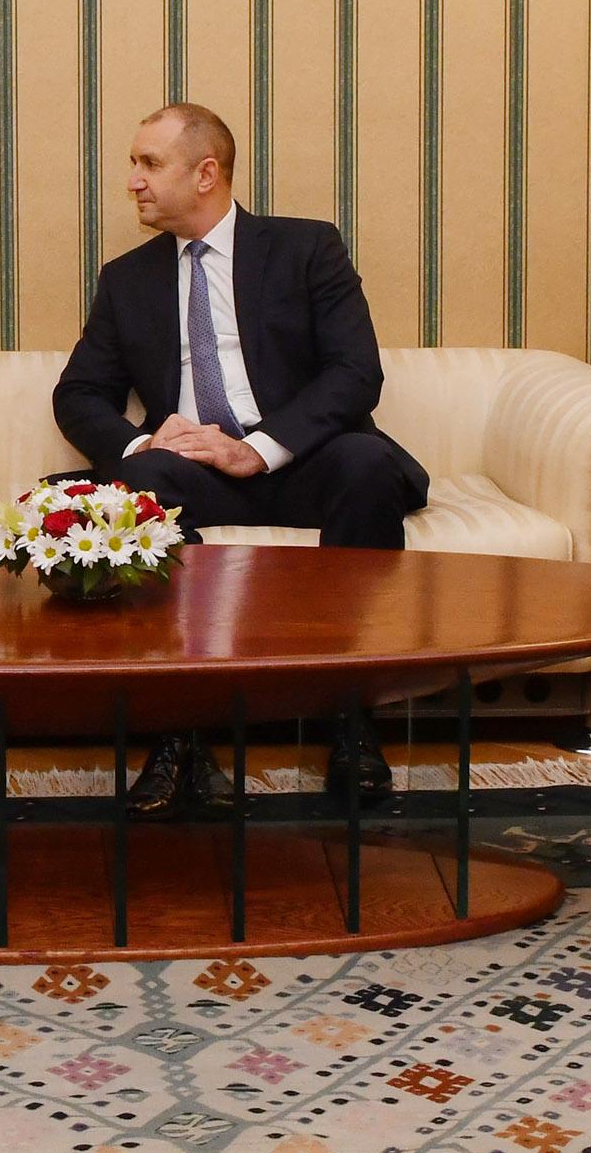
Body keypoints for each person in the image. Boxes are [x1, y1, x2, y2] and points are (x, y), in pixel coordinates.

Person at [55, 103, 428, 813]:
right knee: (140, 480)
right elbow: (78, 394)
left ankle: (349, 715)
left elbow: (355, 373)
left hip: (297, 461)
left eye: (149, 163)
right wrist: (144, 441)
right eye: (133, 164)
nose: (132, 181)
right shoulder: (128, 278)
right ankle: (182, 732)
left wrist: (255, 451)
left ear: (206, 173)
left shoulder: (305, 248)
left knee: (366, 464)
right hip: (192, 472)